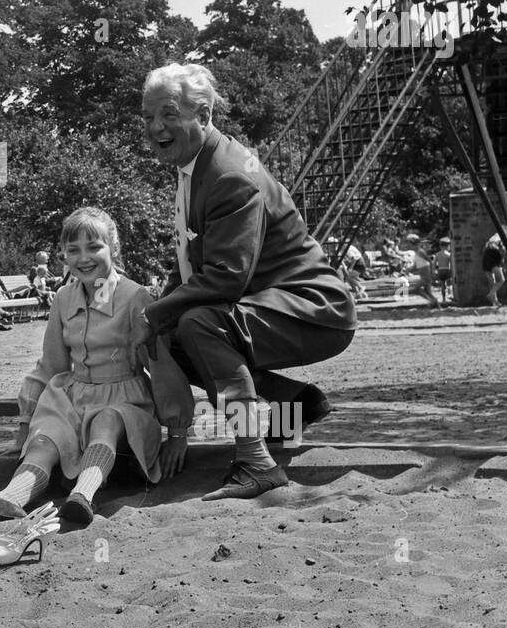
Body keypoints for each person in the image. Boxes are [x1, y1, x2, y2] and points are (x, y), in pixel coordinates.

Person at [141, 63, 356, 500]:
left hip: (314, 307)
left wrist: (152, 314)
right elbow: (192, 262)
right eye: (147, 117)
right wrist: (154, 317)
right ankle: (293, 406)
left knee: (199, 324)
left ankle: (257, 461)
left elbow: (225, 277)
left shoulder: (228, 174)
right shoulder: (196, 167)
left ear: (202, 116)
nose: (155, 127)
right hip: (282, 302)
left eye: (167, 114)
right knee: (172, 338)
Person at [0, 207, 169, 530]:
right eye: (73, 250)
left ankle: (83, 496)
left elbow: (160, 365)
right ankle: (9, 499)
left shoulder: (135, 296)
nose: (84, 258)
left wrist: (178, 431)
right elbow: (51, 364)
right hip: (75, 395)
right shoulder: (63, 299)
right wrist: (25, 430)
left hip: (125, 400)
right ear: (65, 256)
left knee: (107, 421)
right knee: (45, 439)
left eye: (94, 247)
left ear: (113, 247)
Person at [404, 233, 439, 307]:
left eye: (408, 243)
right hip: (424, 274)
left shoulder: (420, 251)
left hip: (426, 274)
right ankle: (436, 304)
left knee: (416, 289)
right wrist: (409, 270)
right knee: (428, 292)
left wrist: (432, 272)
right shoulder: (417, 252)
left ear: (412, 243)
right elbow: (418, 264)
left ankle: (432, 301)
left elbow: (429, 261)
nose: (407, 245)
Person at [482, 231, 506, 308]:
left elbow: (484, 249)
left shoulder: (491, 239)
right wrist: (501, 264)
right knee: (501, 280)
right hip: (493, 259)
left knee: (492, 281)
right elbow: (502, 252)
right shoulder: (500, 238)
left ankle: (494, 302)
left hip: (485, 259)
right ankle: (491, 294)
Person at [434, 237, 453, 304]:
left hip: (440, 270)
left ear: (440, 246)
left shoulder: (437, 254)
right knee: (449, 284)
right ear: (446, 246)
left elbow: (434, 264)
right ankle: (450, 296)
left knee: (442, 285)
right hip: (447, 269)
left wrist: (434, 271)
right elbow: (451, 264)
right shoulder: (448, 254)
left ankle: (444, 299)